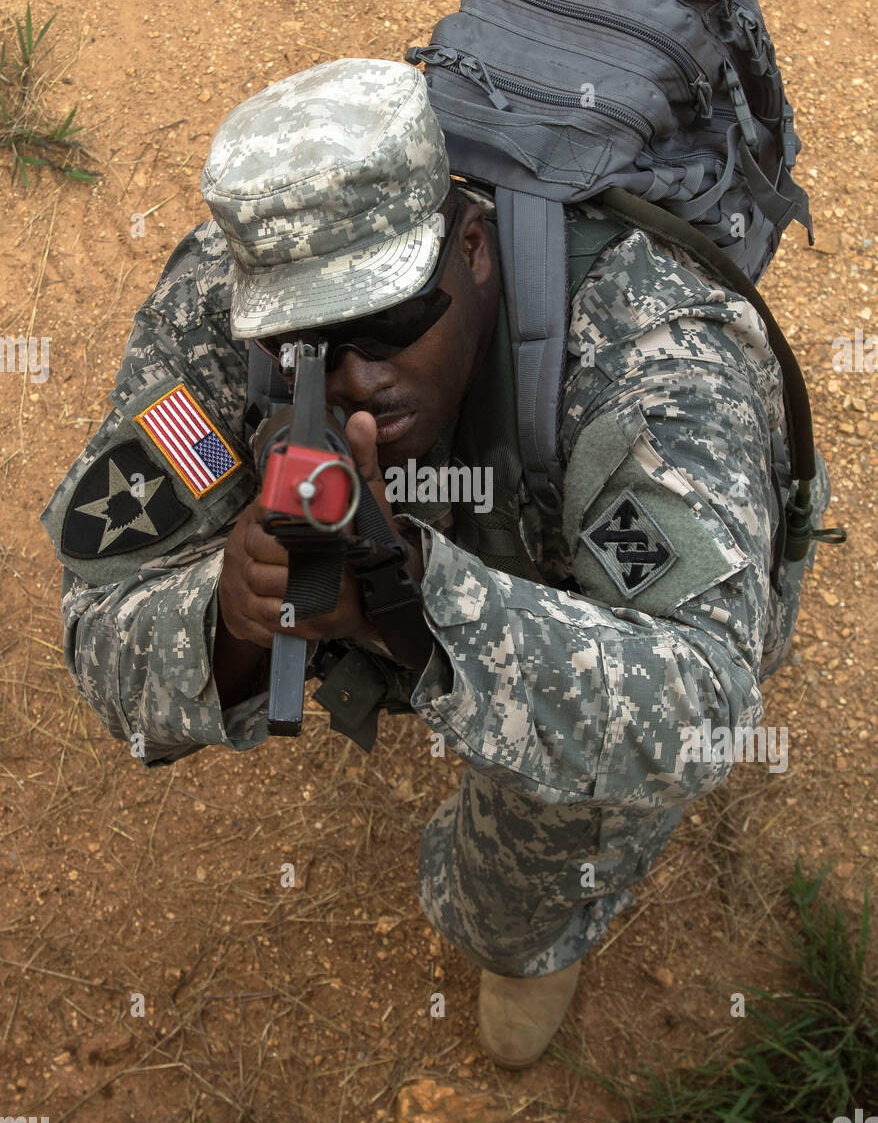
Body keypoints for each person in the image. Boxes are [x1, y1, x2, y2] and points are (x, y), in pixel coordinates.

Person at [40, 58, 830, 1069]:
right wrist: (231, 614)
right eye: (303, 349)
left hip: (583, 588)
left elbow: (703, 696)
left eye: (388, 327)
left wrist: (415, 588)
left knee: (506, 907)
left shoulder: (642, 346)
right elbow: (100, 624)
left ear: (471, 247)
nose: (355, 383)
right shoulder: (219, 308)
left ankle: (529, 944)